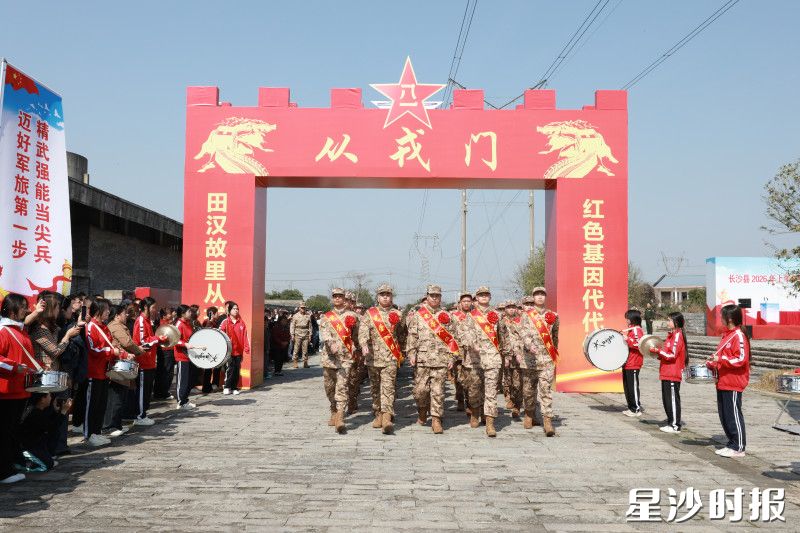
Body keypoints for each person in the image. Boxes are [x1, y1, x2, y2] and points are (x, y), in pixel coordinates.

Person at [28, 291, 83, 454]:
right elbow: (55, 351)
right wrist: (67, 336)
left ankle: (53, 448)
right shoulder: (40, 329)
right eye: (58, 307)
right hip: (43, 378)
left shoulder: (53, 328)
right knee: (45, 415)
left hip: (54, 377)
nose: (60, 310)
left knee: (54, 412)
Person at [406, 285, 457, 434]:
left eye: (437, 296)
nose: (434, 298)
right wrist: (411, 354)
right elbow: (412, 336)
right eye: (432, 295)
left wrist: (452, 357)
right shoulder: (418, 315)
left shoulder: (447, 316)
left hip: (441, 359)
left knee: (438, 392)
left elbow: (454, 339)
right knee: (420, 391)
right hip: (422, 360)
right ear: (427, 296)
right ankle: (422, 410)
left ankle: (436, 419)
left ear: (440, 297)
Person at [0, 293, 37, 484]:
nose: (27, 310)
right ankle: (4, 471)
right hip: (6, 390)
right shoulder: (4, 331)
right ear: (12, 310)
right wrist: (15, 367)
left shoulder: (20, 330)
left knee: (12, 431)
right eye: (23, 307)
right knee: (5, 433)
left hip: (19, 388)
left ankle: (11, 465)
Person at [457, 286, 502, 437]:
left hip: (492, 358)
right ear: (476, 298)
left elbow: (503, 336)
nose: (484, 297)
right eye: (481, 295)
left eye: (486, 294)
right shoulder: (470, 316)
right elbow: (463, 334)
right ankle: (475, 411)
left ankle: (489, 422)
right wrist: (473, 344)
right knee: (474, 390)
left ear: (490, 297)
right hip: (474, 359)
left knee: (491, 391)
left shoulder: (497, 315)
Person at [706, 304, 750, 458]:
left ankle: (739, 446)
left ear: (729, 318)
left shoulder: (738, 335)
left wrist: (720, 359)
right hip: (723, 380)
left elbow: (741, 359)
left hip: (733, 381)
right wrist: (713, 363)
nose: (721, 318)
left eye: (722, 316)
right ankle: (731, 443)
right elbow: (723, 357)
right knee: (724, 415)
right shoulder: (726, 335)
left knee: (733, 415)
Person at [82, 299, 127, 446]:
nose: (108, 311)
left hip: (104, 371)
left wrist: (121, 353)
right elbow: (93, 349)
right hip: (93, 372)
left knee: (101, 405)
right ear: (98, 311)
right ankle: (89, 435)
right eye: (106, 309)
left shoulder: (104, 327)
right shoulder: (91, 326)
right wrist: (111, 351)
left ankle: (97, 432)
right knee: (92, 405)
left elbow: (111, 345)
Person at [359, 284, 402, 434]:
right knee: (375, 388)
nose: (385, 297)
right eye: (382, 294)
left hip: (390, 357)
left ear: (391, 297)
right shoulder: (370, 314)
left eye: (388, 294)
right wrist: (363, 344)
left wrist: (402, 352)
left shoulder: (398, 314)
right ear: (378, 297)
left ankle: (387, 417)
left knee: (388, 387)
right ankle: (378, 413)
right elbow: (363, 331)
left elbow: (402, 334)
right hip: (373, 357)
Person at [518, 287, 559, 436]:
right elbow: (522, 332)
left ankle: (547, 421)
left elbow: (555, 336)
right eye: (537, 295)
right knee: (528, 391)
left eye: (542, 294)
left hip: (546, 359)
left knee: (546, 390)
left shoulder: (552, 315)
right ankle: (529, 414)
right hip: (530, 359)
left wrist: (554, 354)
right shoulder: (525, 315)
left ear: (545, 297)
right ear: (533, 297)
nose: (540, 297)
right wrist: (529, 345)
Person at [318, 288, 359, 434]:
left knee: (342, 387)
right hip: (329, 358)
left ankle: (340, 416)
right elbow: (324, 333)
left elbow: (357, 335)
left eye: (340, 296)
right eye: (335, 296)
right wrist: (330, 342)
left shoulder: (353, 316)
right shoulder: (326, 317)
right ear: (332, 298)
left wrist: (357, 346)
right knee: (329, 387)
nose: (337, 298)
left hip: (345, 358)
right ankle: (333, 409)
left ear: (344, 299)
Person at [107, 305, 143, 436]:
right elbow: (127, 342)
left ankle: (117, 424)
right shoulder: (115, 326)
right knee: (116, 397)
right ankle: (111, 426)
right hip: (118, 365)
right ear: (117, 315)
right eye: (124, 313)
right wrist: (139, 350)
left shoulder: (119, 325)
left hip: (123, 363)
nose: (126, 315)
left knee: (121, 396)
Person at [649, 312, 687, 434]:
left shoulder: (677, 336)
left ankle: (675, 425)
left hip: (673, 372)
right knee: (667, 400)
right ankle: (671, 421)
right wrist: (658, 353)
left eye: (669, 320)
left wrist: (658, 351)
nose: (667, 322)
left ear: (676, 322)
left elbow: (672, 355)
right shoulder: (671, 335)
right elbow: (666, 353)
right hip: (666, 371)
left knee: (672, 400)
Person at [132, 297, 160, 424]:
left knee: (147, 390)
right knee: (143, 390)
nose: (155, 310)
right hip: (143, 361)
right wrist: (157, 338)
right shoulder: (141, 320)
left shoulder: (147, 320)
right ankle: (140, 416)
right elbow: (142, 341)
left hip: (149, 360)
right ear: (145, 307)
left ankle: (143, 414)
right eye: (153, 307)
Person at [173, 305, 202, 409]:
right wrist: (184, 344)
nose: (191, 313)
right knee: (182, 380)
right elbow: (174, 339)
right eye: (189, 312)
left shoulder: (188, 323)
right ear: (182, 314)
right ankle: (181, 402)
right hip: (181, 356)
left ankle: (185, 400)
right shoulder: (179, 324)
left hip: (189, 355)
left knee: (189, 379)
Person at [219, 301, 250, 395]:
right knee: (230, 369)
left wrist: (246, 347)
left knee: (237, 369)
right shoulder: (225, 322)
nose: (236, 310)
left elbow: (245, 336)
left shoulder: (241, 322)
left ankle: (234, 387)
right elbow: (220, 334)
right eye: (234, 309)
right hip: (229, 350)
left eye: (237, 309)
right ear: (229, 310)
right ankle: (227, 386)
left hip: (239, 350)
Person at [499, 301, 523, 419]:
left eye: (513, 307)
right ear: (505, 309)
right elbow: (501, 339)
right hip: (506, 356)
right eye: (509, 307)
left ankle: (517, 406)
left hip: (519, 356)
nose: (511, 309)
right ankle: (509, 398)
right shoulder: (501, 322)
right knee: (507, 380)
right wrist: (505, 355)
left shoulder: (521, 321)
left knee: (518, 383)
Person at [451, 293, 473, 416]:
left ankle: (469, 403)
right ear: (460, 303)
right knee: (459, 378)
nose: (466, 303)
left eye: (468, 301)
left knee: (470, 379)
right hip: (458, 352)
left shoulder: (476, 316)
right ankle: (460, 400)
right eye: (464, 301)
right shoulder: (454, 316)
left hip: (472, 353)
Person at [622, 309, 645, 417]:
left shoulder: (637, 330)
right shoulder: (631, 329)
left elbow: (639, 344)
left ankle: (636, 408)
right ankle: (631, 407)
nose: (626, 320)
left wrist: (627, 339)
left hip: (634, 362)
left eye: (627, 318)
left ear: (632, 319)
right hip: (628, 362)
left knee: (633, 387)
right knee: (628, 387)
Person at [289, 303, 312, 368]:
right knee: (296, 348)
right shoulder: (295, 316)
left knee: (305, 349)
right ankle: (295, 362)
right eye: (302, 307)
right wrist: (292, 334)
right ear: (299, 308)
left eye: (304, 307)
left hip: (306, 333)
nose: (303, 309)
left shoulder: (308, 316)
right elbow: (292, 325)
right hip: (297, 333)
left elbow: (310, 326)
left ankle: (305, 362)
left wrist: (310, 335)